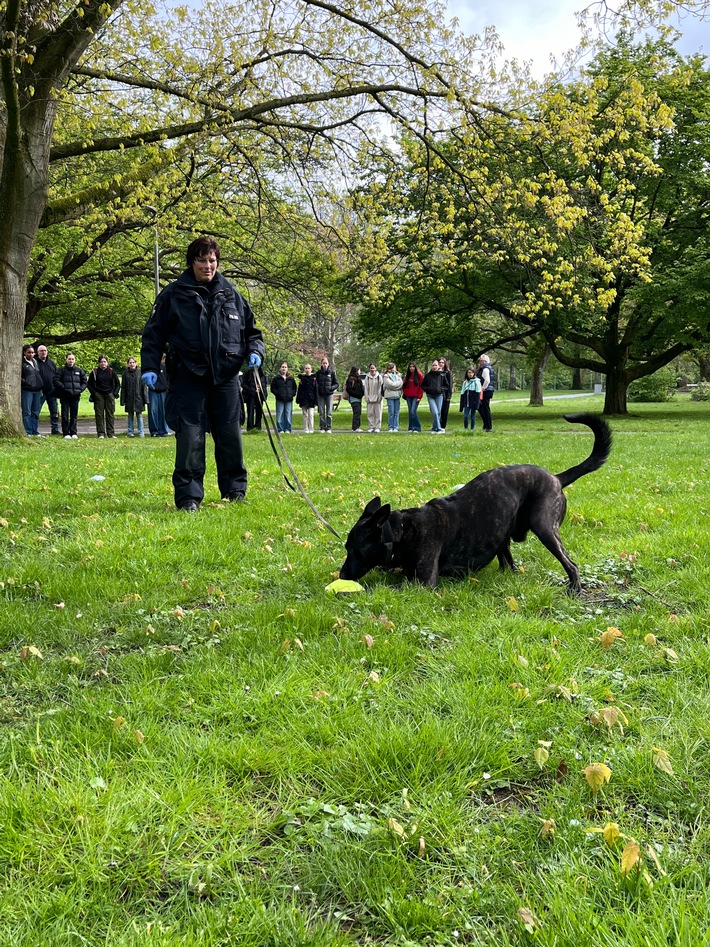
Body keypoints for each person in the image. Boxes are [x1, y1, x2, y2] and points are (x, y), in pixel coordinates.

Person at [140, 236, 265, 511]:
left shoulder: (233, 295)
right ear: (191, 262)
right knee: (189, 438)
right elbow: (153, 335)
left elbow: (253, 332)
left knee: (230, 435)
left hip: (226, 377)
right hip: (188, 375)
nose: (208, 266)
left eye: (212, 260)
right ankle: (188, 497)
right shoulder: (173, 294)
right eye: (202, 260)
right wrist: (149, 366)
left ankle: (235, 491)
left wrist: (256, 351)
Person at [53, 352, 87, 439]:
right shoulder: (61, 370)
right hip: (65, 396)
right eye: (69, 359)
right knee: (64, 415)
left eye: (72, 359)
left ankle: (74, 432)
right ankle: (66, 433)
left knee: (74, 415)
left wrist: (80, 390)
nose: (71, 361)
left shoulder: (79, 371)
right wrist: (64, 388)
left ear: (74, 360)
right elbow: (56, 380)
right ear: (66, 360)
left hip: (75, 396)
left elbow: (84, 382)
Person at [87, 355, 120, 438]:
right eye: (101, 362)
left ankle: (111, 433)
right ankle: (101, 433)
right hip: (99, 395)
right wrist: (94, 393)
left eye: (104, 361)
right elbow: (89, 384)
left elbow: (118, 384)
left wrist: (114, 393)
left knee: (110, 414)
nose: (103, 363)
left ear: (107, 362)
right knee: (99, 414)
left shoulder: (111, 371)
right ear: (99, 363)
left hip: (109, 394)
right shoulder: (95, 372)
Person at [35, 344, 60, 435]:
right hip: (40, 392)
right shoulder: (35, 363)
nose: (43, 352)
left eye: (45, 350)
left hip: (52, 391)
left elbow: (56, 376)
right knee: (36, 411)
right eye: (41, 351)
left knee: (54, 412)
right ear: (38, 353)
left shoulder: (51, 363)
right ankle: (34, 429)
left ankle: (55, 429)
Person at [21, 344, 44, 436]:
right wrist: (26, 383)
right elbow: (19, 377)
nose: (31, 354)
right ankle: (28, 431)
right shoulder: (22, 363)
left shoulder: (35, 361)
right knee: (27, 412)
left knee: (35, 412)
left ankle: (35, 431)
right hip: (27, 390)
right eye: (29, 352)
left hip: (37, 390)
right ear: (24, 353)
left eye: (32, 353)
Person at [121, 357, 147, 437]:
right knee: (130, 415)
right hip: (129, 398)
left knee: (139, 415)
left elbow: (143, 386)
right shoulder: (125, 374)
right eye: (130, 363)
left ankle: (141, 432)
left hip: (139, 398)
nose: (132, 364)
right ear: (128, 364)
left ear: (136, 363)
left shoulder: (140, 373)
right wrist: (123, 400)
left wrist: (145, 399)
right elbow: (123, 388)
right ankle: (130, 432)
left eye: (133, 362)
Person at [146, 357, 171, 437]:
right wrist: (152, 386)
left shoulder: (165, 367)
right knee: (153, 411)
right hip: (153, 391)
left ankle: (163, 431)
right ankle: (154, 431)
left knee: (163, 411)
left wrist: (167, 387)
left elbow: (168, 379)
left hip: (163, 391)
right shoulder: (150, 368)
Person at [270, 362, 297, 433]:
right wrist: (277, 394)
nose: (284, 368)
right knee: (280, 414)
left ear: (287, 369)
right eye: (282, 367)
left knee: (288, 414)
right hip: (280, 399)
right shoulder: (276, 378)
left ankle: (288, 429)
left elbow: (294, 388)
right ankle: (280, 429)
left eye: (285, 367)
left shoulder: (291, 379)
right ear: (280, 368)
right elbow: (272, 388)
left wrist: (292, 394)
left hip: (289, 399)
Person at [421, 359, 447, 433]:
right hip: (430, 396)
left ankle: (434, 428)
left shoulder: (442, 375)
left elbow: (446, 385)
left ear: (438, 366)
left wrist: (441, 389)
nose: (434, 366)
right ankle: (438, 428)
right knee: (435, 412)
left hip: (439, 396)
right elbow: (423, 385)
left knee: (438, 412)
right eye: (433, 365)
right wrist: (427, 389)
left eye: (436, 365)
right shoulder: (428, 375)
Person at [315, 355, 338, 433]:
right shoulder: (318, 373)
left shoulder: (332, 373)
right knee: (321, 412)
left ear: (328, 364)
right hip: (321, 395)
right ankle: (322, 427)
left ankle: (328, 427)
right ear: (321, 364)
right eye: (323, 363)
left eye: (326, 363)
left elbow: (336, 383)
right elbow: (315, 383)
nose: (325, 365)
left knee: (329, 412)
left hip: (329, 394)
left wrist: (331, 388)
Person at [241, 364, 268, 431]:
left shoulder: (262, 374)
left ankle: (258, 427)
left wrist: (264, 394)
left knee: (259, 412)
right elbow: (242, 383)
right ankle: (250, 428)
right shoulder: (248, 374)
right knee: (250, 411)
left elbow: (264, 385)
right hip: (250, 395)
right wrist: (250, 390)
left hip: (260, 395)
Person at [402, 361, 424, 433]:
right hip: (408, 396)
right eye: (410, 367)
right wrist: (405, 392)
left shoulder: (419, 375)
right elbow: (404, 385)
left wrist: (419, 396)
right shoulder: (408, 375)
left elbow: (421, 386)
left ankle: (417, 427)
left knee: (413, 411)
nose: (411, 368)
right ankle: (411, 427)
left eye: (413, 366)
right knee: (410, 412)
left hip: (416, 396)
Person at [296, 363, 318, 433]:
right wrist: (298, 399)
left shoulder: (314, 378)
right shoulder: (302, 379)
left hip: (311, 399)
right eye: (306, 368)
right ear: (304, 369)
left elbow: (316, 390)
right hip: (303, 398)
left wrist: (316, 401)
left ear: (311, 369)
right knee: (305, 414)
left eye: (309, 368)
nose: (307, 369)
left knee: (311, 414)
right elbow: (299, 390)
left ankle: (311, 429)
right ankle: (306, 429)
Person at [476, 354, 495, 432]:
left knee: (485, 408)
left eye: (481, 360)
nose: (480, 362)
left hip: (485, 391)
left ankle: (488, 426)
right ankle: (486, 424)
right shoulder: (487, 368)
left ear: (485, 361)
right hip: (488, 390)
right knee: (482, 407)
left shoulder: (485, 369)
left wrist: (483, 388)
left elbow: (487, 380)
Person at [459, 365, 482, 431]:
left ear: (474, 373)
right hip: (467, 403)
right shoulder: (465, 382)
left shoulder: (477, 382)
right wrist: (461, 406)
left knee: (472, 416)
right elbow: (462, 394)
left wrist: (477, 405)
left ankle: (472, 429)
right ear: (467, 373)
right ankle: (465, 428)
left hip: (473, 403)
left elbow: (478, 394)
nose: (470, 374)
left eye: (472, 372)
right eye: (469, 372)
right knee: (466, 416)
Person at [382, 362, 403, 432]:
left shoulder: (399, 375)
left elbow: (401, 383)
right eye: (392, 368)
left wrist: (395, 386)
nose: (394, 369)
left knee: (396, 412)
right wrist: (397, 386)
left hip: (397, 396)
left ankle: (395, 427)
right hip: (390, 396)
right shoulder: (386, 376)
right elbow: (390, 385)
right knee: (391, 412)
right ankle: (390, 427)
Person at [363, 363, 383, 433]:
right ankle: (371, 427)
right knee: (370, 413)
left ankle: (377, 427)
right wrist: (366, 397)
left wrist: (379, 397)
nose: (372, 369)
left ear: (376, 368)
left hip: (377, 398)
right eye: (371, 368)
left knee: (378, 413)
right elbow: (366, 388)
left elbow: (380, 388)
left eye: (373, 368)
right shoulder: (367, 377)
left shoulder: (379, 377)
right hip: (370, 397)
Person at [344, 366, 365, 432]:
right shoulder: (351, 379)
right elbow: (349, 389)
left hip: (359, 398)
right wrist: (357, 394)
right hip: (354, 398)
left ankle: (356, 426)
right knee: (356, 412)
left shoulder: (358, 379)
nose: (360, 372)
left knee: (358, 412)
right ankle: (355, 427)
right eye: (359, 370)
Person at [438, 356, 453, 432]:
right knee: (438, 410)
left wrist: (449, 395)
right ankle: (438, 425)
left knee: (444, 410)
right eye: (440, 362)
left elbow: (450, 385)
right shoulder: (436, 372)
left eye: (442, 362)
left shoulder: (448, 373)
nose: (441, 364)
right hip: (437, 394)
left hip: (445, 394)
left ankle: (443, 426)